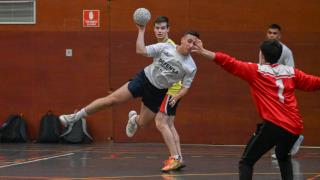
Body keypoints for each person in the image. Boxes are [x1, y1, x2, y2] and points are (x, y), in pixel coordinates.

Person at [59, 21, 198, 170]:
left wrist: (177, 95)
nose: (191, 45)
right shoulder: (166, 47)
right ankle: (74, 117)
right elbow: (141, 50)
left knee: (143, 124)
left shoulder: (191, 67)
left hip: (158, 93)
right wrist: (141, 30)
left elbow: (185, 87)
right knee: (110, 100)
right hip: (143, 79)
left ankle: (134, 119)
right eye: (189, 41)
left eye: (194, 44)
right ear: (182, 39)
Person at [192, 39, 320, 180]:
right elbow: (314, 83)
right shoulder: (292, 72)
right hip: (294, 127)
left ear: (262, 56)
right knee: (282, 156)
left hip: (275, 124)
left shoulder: (256, 71)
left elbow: (229, 62)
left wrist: (203, 51)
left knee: (246, 162)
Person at [125, 16, 186, 172]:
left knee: (162, 123)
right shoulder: (159, 46)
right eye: (157, 28)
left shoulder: (171, 46)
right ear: (154, 29)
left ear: (168, 29)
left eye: (163, 28)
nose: (160, 31)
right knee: (161, 124)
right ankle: (178, 157)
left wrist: (177, 92)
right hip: (161, 89)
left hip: (171, 91)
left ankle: (177, 158)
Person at [260, 24, 304, 158]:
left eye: (275, 33)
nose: (272, 35)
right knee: (273, 118)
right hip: (269, 90)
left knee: (283, 119)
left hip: (282, 90)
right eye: (270, 33)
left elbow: (292, 71)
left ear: (279, 35)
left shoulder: (286, 51)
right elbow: (262, 68)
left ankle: (293, 140)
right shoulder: (264, 49)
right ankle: (283, 146)